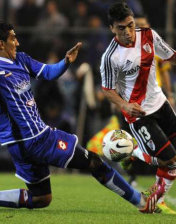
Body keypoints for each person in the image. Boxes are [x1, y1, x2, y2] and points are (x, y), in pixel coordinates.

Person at [0, 21, 164, 213]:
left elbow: (49, 72)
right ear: (1, 43)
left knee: (41, 198)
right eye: (12, 38)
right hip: (35, 139)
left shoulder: (21, 60)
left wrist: (65, 62)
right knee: (94, 162)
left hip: (21, 143)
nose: (17, 42)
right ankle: (142, 202)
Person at [100, 2, 176, 214]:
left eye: (131, 25)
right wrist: (125, 105)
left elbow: (171, 56)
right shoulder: (110, 57)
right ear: (112, 29)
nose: (128, 32)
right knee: (169, 159)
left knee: (172, 161)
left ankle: (154, 197)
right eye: (121, 28)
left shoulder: (149, 35)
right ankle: (131, 151)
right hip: (138, 115)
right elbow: (107, 89)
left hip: (161, 104)